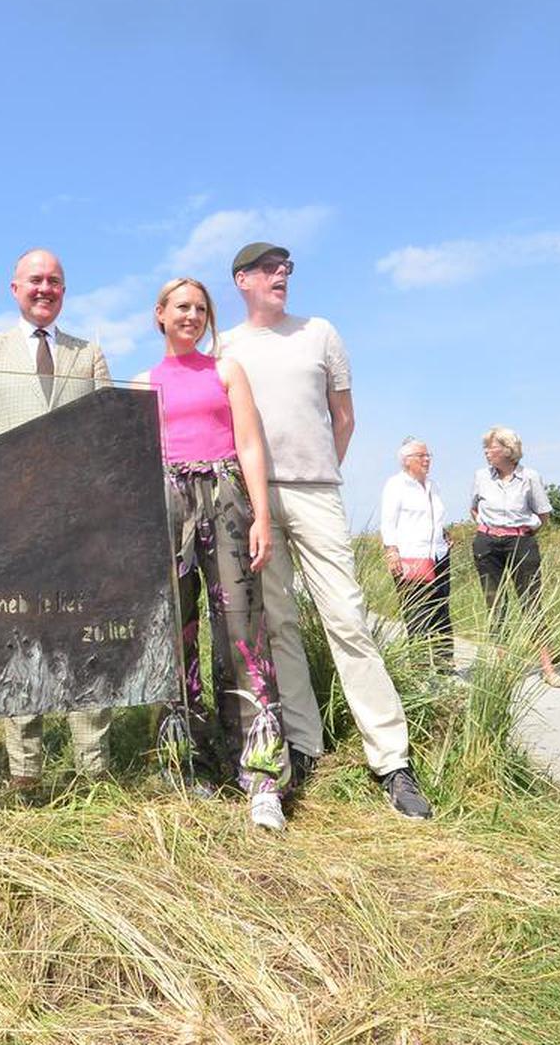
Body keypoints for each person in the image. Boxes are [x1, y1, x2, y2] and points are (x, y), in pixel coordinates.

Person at [218, 242, 432, 819]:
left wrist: (321, 469)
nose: (281, 274)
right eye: (268, 268)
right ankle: (304, 746)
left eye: (286, 267)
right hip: (253, 499)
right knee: (280, 623)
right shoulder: (227, 346)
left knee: (348, 618)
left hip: (315, 492)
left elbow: (346, 416)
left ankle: (391, 761)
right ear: (242, 280)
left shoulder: (320, 333)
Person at [0, 248, 113, 789]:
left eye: (54, 281)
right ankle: (27, 774)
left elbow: (106, 430)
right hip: (13, 519)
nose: (44, 289)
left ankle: (93, 767)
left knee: (83, 639)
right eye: (35, 281)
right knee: (21, 638)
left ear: (64, 291)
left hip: (78, 522)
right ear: (14, 287)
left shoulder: (88, 354)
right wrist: (15, 479)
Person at [143, 278, 291, 831]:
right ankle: (185, 761)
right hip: (168, 502)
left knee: (242, 632)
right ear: (159, 314)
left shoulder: (226, 370)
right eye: (182, 307)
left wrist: (261, 517)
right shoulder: (143, 382)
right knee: (174, 635)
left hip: (226, 499)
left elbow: (249, 443)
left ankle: (259, 777)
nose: (193, 316)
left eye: (201, 309)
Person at [469, 426, 560, 687]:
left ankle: (547, 668)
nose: (487, 452)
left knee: (531, 602)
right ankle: (503, 668)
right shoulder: (480, 476)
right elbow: (474, 509)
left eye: (492, 447)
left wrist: (522, 529)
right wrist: (490, 528)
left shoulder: (529, 477)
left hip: (521, 542)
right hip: (487, 544)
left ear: (508, 450)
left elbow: (543, 514)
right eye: (485, 447)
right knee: (496, 604)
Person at [380, 437, 454, 674]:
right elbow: (388, 522)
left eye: (428, 455)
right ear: (406, 461)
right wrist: (391, 551)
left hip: (438, 555)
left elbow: (433, 517)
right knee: (418, 613)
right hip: (412, 558)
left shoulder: (433, 486)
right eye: (421, 456)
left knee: (441, 608)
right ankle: (420, 667)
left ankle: (444, 663)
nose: (427, 460)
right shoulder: (396, 485)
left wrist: (444, 534)